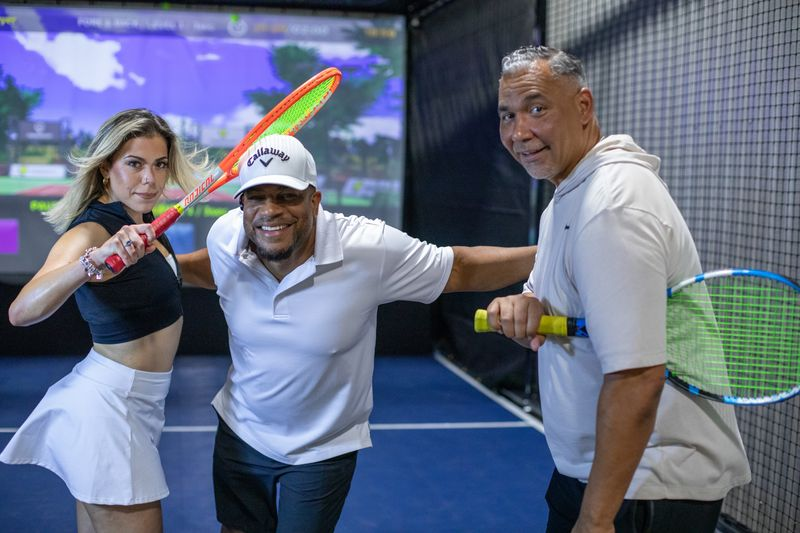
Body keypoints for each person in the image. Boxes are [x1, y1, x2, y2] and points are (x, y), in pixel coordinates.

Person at [178, 133, 537, 533]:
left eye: (286, 196)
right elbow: (212, 266)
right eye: (256, 197)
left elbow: (460, 268)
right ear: (240, 203)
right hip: (241, 430)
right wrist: (159, 265)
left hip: (322, 447)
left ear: (315, 200)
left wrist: (555, 252)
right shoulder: (225, 236)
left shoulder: (369, 248)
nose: (270, 210)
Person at [482, 45, 751, 532]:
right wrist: (527, 307)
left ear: (583, 107)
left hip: (641, 492)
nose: (519, 133)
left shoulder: (613, 204)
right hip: (602, 479)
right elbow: (562, 310)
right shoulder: (568, 195)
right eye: (507, 116)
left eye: (537, 109)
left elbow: (637, 377)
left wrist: (597, 518)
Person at [2, 108, 208, 533]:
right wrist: (90, 263)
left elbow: (175, 270)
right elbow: (21, 311)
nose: (150, 179)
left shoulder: (145, 223)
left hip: (139, 405)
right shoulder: (92, 231)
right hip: (109, 407)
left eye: (160, 164)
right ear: (105, 169)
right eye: (134, 164)